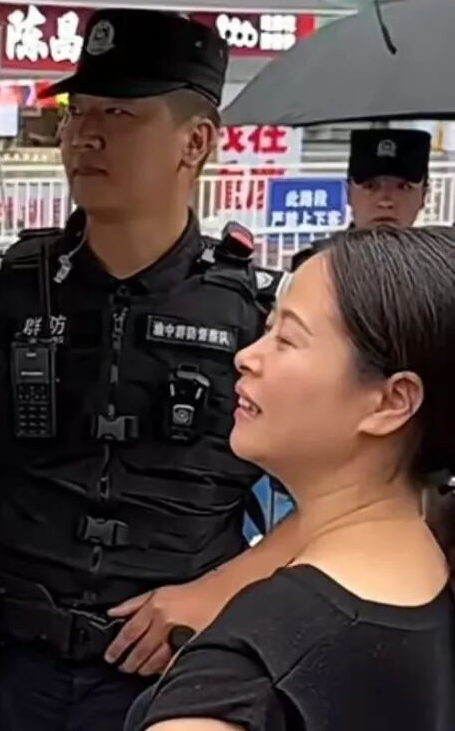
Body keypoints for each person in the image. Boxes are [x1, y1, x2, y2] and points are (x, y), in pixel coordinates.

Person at [0, 9, 296, 731]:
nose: (84, 136)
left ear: (197, 142)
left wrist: (215, 593)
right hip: (1, 675)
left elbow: (342, 501)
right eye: (76, 112)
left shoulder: (262, 317)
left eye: (119, 114)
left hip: (180, 679)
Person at [126, 227, 455, 731]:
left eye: (287, 339)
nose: (247, 356)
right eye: (266, 328)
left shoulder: (249, 672)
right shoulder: (427, 576)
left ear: (391, 402)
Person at [290, 127, 429, 271]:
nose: (385, 201)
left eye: (403, 187)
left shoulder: (439, 268)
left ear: (424, 195)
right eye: (370, 186)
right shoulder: (318, 265)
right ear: (349, 192)